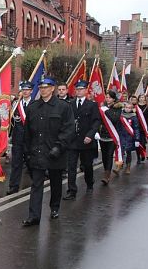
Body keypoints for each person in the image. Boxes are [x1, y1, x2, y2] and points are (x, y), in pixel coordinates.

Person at [22, 76, 74, 227]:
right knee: (36, 184)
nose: (43, 90)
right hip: (37, 152)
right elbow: (28, 132)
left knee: (56, 183)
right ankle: (34, 216)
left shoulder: (63, 107)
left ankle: (54, 207)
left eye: (46, 87)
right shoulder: (33, 107)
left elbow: (68, 129)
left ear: (53, 88)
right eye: (41, 87)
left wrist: (59, 147)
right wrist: (27, 151)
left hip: (55, 153)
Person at [63, 80, 100, 200]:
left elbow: (96, 122)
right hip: (73, 140)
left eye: (81, 89)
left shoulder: (92, 105)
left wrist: (90, 135)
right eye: (77, 89)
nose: (79, 91)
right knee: (71, 166)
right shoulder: (70, 104)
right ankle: (71, 190)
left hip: (86, 140)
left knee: (87, 165)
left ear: (85, 90)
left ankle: (89, 183)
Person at [7, 81, 33, 195]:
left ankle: (36, 182)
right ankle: (14, 186)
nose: (25, 91)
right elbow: (11, 121)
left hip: (31, 140)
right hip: (17, 139)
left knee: (31, 163)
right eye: (23, 89)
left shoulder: (35, 104)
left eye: (27, 89)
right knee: (16, 163)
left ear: (31, 91)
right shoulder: (16, 105)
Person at [97, 90, 123, 185]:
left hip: (112, 135)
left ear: (113, 99)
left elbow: (114, 119)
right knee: (104, 156)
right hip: (102, 134)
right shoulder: (102, 107)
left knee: (109, 155)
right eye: (107, 97)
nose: (108, 99)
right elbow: (98, 120)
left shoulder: (118, 108)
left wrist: (106, 110)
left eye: (110, 97)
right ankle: (106, 171)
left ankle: (107, 176)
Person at [118, 101, 140, 175]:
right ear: (124, 107)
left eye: (130, 108)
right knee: (120, 152)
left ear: (132, 108)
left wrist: (137, 139)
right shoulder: (120, 115)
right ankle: (119, 166)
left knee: (128, 152)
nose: (128, 109)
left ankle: (128, 167)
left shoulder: (134, 117)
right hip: (121, 136)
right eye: (126, 107)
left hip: (130, 137)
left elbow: (136, 128)